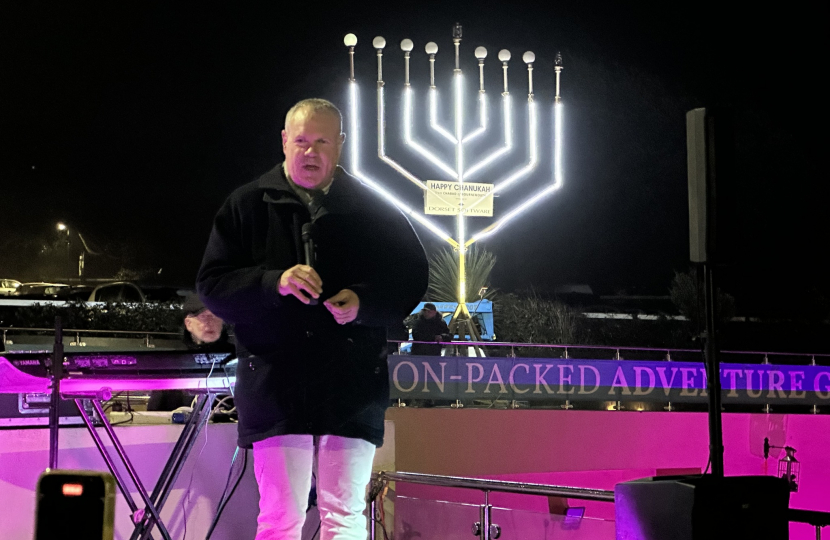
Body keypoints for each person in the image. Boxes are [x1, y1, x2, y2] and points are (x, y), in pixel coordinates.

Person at [196, 98, 429, 540]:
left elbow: (412, 278)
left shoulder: (374, 210)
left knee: (345, 517)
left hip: (352, 387)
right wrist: (273, 283)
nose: (310, 151)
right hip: (276, 387)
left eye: (322, 141)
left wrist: (363, 303)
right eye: (301, 140)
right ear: (284, 142)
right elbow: (213, 285)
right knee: (281, 518)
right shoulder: (245, 205)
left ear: (340, 145)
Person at [147, 293, 235, 411]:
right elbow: (155, 415)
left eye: (215, 315)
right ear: (188, 324)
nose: (210, 322)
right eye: (203, 317)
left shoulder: (238, 356)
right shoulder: (174, 361)